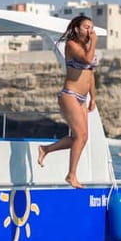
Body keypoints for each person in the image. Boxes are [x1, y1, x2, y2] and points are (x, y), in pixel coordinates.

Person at [37, 15, 98, 188]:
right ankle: (71, 175)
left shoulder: (88, 47)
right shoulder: (72, 45)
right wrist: (93, 42)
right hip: (70, 95)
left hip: (82, 98)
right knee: (79, 136)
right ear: (77, 29)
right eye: (86, 27)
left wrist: (93, 97)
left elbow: (90, 74)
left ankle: (45, 149)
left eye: (91, 28)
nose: (90, 31)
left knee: (82, 138)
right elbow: (86, 60)